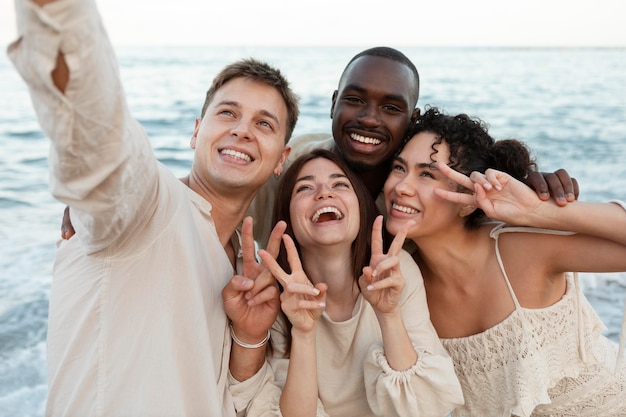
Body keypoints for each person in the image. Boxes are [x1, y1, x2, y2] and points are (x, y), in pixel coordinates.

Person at [8, 0, 299, 416]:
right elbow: (98, 140)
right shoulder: (150, 205)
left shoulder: (244, 270)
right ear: (196, 132)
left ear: (281, 159)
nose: (241, 130)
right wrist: (59, 12)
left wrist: (250, 339)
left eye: (264, 123)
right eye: (227, 113)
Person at [60, 46, 580, 242]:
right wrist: (126, 202)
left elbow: (474, 200)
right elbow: (219, 179)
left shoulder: (421, 188)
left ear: (413, 116)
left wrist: (533, 194)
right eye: (354, 100)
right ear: (333, 103)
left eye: (391, 107)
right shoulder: (299, 158)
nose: (368, 119)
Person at [383, 107, 626, 416]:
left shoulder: (518, 249)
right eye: (398, 168)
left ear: (467, 200)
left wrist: (540, 213)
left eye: (427, 174)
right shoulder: (402, 281)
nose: (401, 186)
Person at [250, 149, 464, 417]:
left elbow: (424, 409)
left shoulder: (395, 271)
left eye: (339, 184)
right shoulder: (280, 299)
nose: (324, 194)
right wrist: (303, 334)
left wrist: (389, 314)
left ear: (361, 205)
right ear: (287, 219)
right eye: (305, 188)